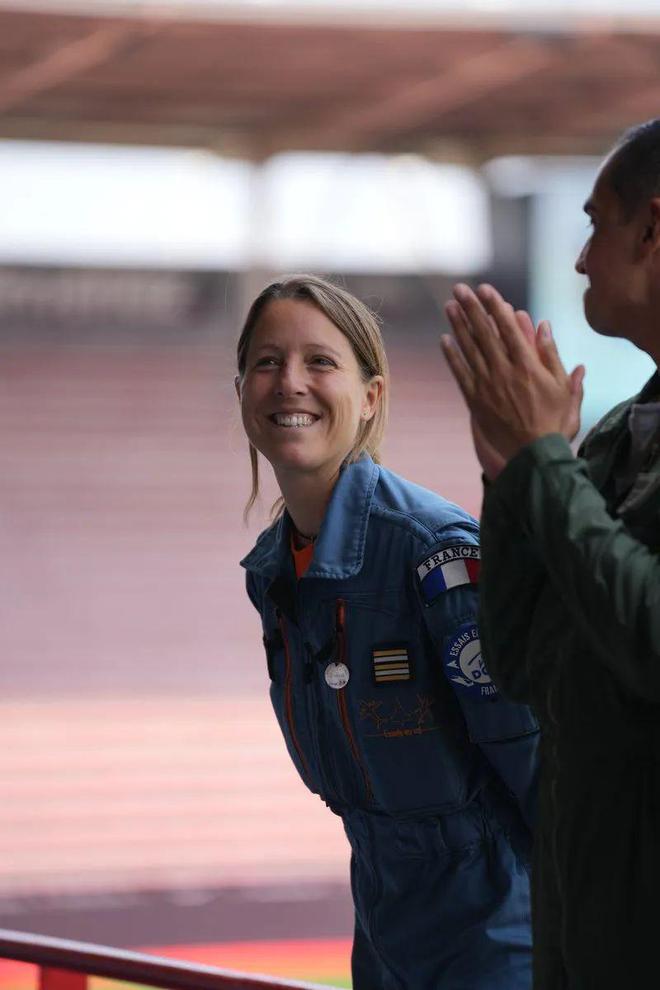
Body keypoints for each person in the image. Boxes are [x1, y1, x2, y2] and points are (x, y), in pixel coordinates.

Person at [236, 273, 538, 990]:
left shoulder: (434, 551)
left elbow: (538, 765)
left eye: (320, 362)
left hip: (499, 928)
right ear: (240, 389)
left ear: (371, 397)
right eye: (267, 362)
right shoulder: (274, 570)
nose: (290, 383)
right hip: (384, 926)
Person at [441, 118, 660, 990]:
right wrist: (512, 477)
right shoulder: (612, 437)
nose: (579, 260)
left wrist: (543, 464)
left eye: (595, 224)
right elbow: (525, 663)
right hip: (581, 931)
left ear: (653, 228)